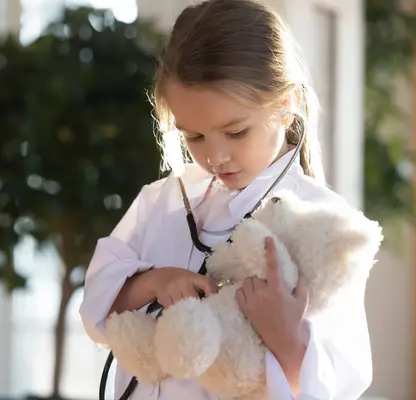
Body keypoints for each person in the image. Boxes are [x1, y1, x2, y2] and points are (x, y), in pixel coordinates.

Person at [79, 0, 373, 398]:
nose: (215, 157)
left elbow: (343, 380)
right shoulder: (162, 200)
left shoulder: (323, 224)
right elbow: (97, 313)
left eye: (236, 133)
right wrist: (152, 282)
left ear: (286, 106)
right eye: (194, 137)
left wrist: (286, 339)